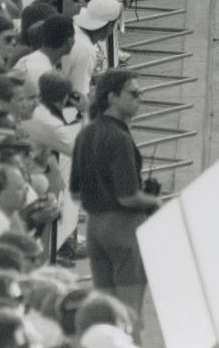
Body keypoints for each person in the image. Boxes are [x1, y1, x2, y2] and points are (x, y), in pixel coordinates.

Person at [70, 69, 161, 329]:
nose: (139, 98)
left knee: (106, 313)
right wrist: (153, 202)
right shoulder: (120, 138)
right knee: (129, 314)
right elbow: (129, 196)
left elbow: (76, 192)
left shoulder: (86, 134)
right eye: (133, 93)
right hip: (123, 228)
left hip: (95, 227)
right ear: (111, 97)